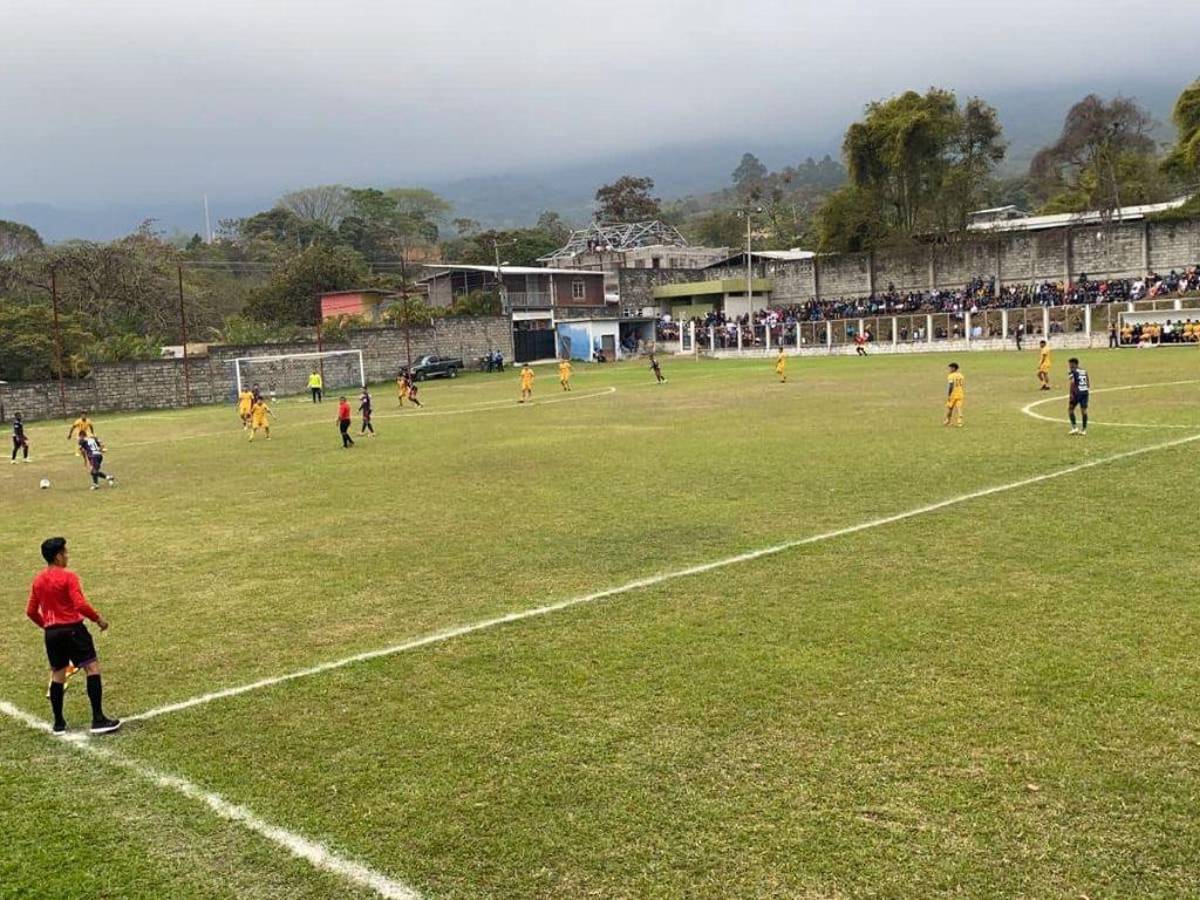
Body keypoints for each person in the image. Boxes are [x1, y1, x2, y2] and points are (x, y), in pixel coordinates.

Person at [26, 537, 120, 734]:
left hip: (52, 634)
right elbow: (80, 605)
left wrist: (48, 627)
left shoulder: (38, 580)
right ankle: (98, 719)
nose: (67, 556)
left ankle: (59, 723)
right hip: (73, 629)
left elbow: (31, 611)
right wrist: (98, 619)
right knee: (92, 668)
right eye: (65, 553)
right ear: (58, 556)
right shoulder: (68, 577)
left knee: (58, 674)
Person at [1067, 357, 1090, 436]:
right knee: (1084, 411)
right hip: (1085, 392)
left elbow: (1072, 383)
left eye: (1070, 364)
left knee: (1070, 409)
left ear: (1074, 364)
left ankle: (1074, 428)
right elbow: (1088, 383)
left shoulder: (1072, 372)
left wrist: (1071, 394)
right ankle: (1084, 430)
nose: (1069, 366)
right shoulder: (1084, 371)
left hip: (1077, 393)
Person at [944, 362, 965, 428]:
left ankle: (948, 421)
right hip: (960, 393)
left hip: (953, 394)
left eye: (950, 368)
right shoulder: (961, 375)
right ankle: (959, 422)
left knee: (950, 408)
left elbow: (951, 385)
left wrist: (949, 395)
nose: (949, 369)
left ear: (953, 368)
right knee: (959, 408)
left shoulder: (951, 376)